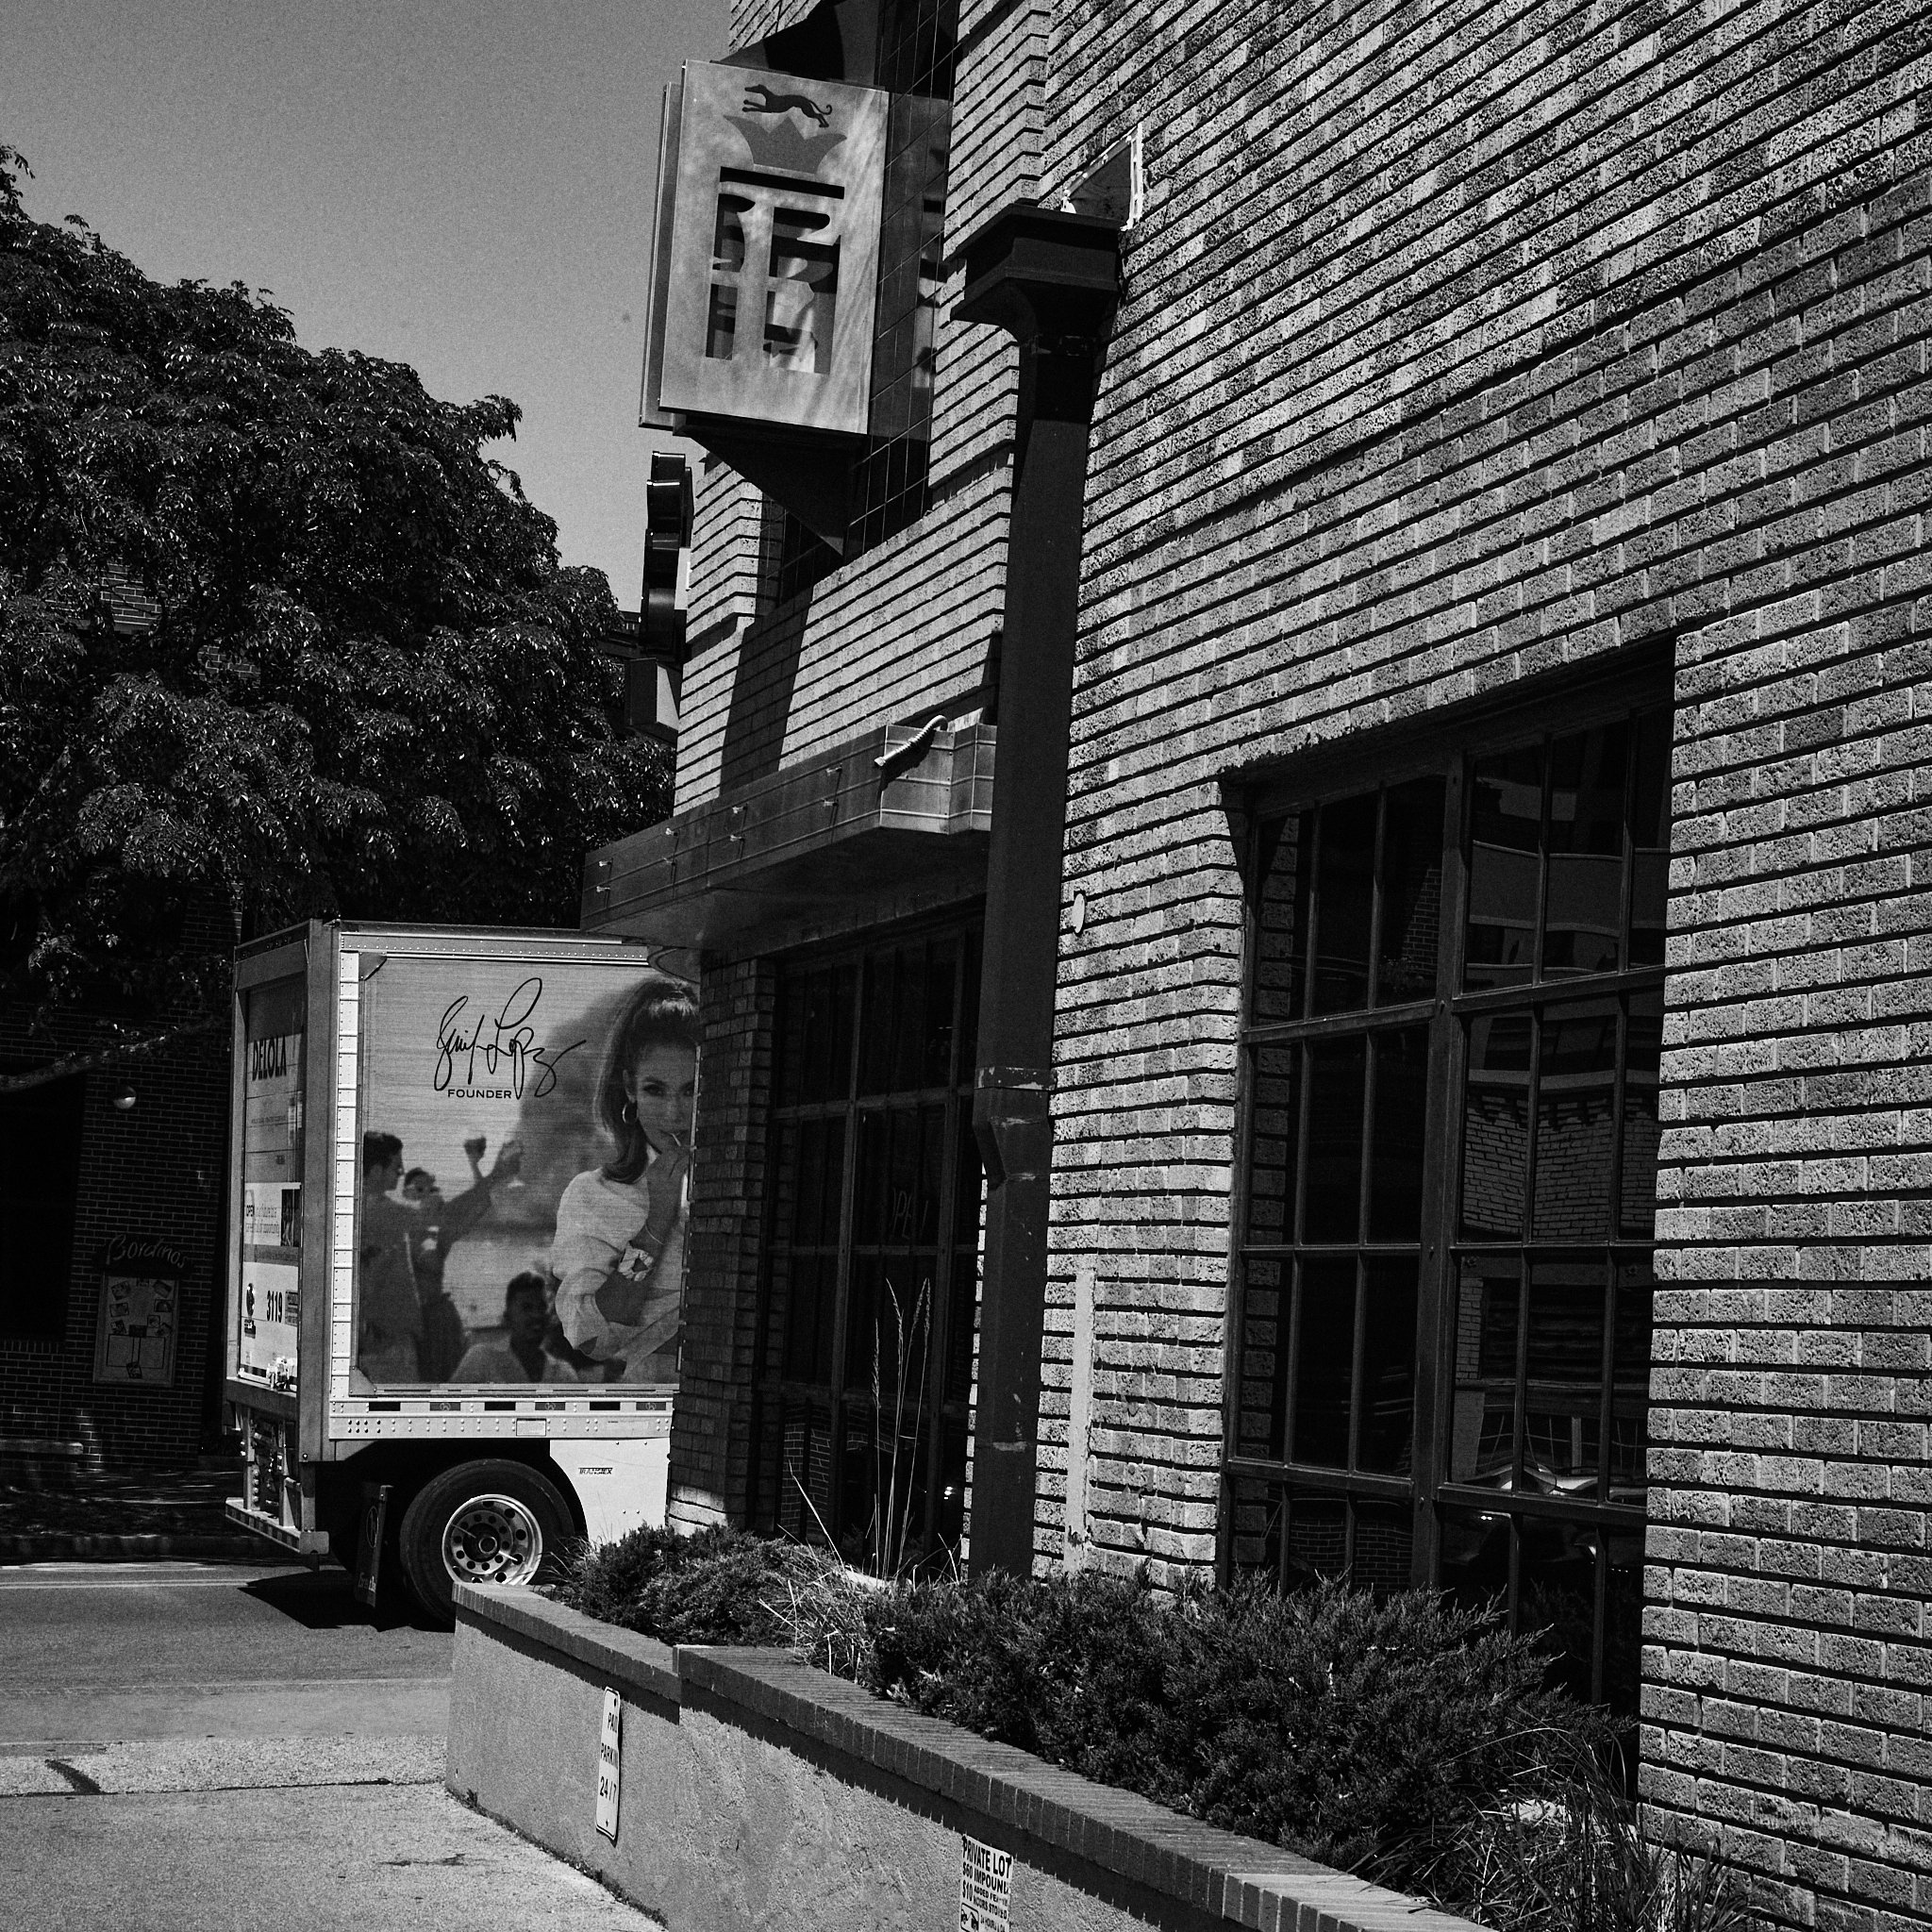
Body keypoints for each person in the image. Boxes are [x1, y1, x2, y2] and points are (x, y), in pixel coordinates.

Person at [552, 974, 698, 1384]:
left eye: (692, 1090)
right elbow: (592, 1338)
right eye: (655, 1090)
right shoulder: (593, 1196)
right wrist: (656, 1224)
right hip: (658, 1397)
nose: (674, 1114)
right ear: (630, 1089)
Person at [401, 1136, 524, 1380]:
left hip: (438, 1319)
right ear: (407, 1194)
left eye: (432, 1190)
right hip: (411, 1322)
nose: (428, 1195)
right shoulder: (405, 1225)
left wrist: (474, 1164)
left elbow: (479, 1203)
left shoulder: (438, 1228)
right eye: (420, 1190)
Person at [356, 1132, 423, 1382]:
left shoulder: (356, 1207)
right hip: (387, 1343)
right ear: (375, 1171)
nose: (402, 1172)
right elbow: (438, 1219)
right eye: (396, 1167)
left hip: (371, 1338)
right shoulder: (382, 1211)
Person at [450, 1273, 578, 1384]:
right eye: (527, 1308)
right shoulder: (481, 1361)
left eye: (541, 1308)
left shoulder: (563, 1374)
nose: (537, 1315)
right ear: (508, 1318)